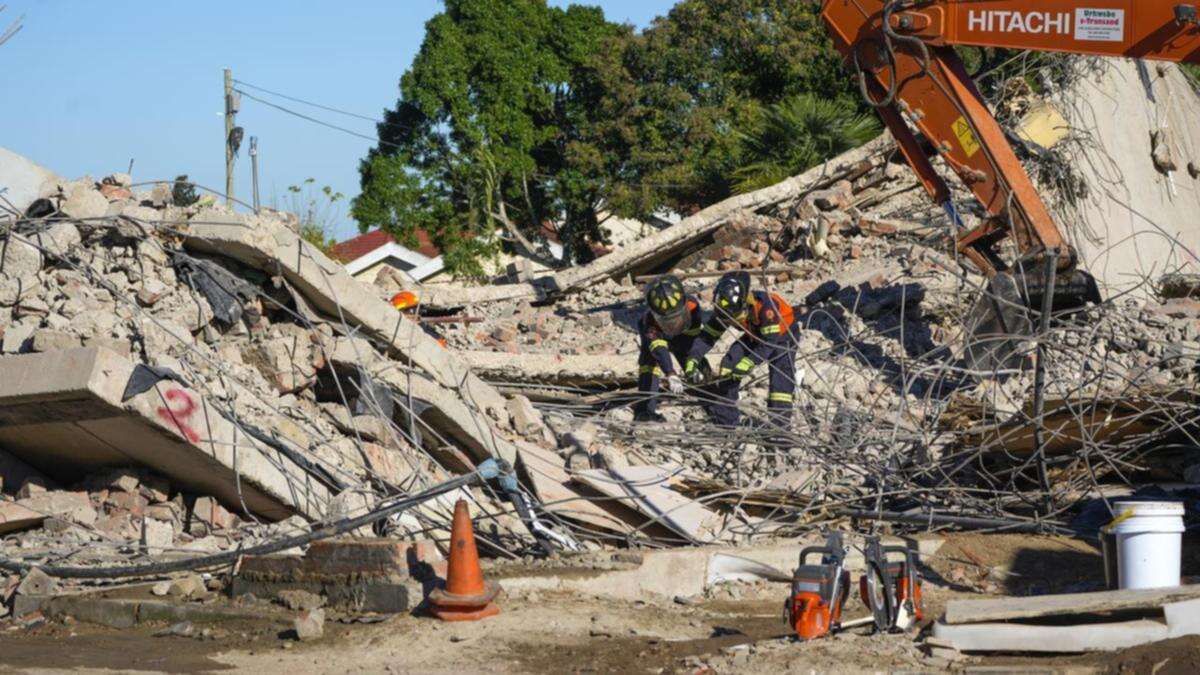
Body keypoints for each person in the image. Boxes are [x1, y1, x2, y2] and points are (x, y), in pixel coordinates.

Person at [685, 271, 799, 427]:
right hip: (755, 333)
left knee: (780, 383)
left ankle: (780, 429)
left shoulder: (766, 308)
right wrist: (693, 357)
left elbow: (769, 343)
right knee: (729, 364)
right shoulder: (726, 308)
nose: (731, 322)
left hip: (783, 336)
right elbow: (707, 337)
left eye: (735, 318)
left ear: (746, 303)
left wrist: (750, 361)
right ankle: (728, 421)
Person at [634, 274, 711, 422]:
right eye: (669, 321)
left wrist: (694, 363)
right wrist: (670, 373)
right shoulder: (649, 321)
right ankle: (645, 411)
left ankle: (712, 401)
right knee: (649, 363)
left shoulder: (693, 307)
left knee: (691, 358)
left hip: (684, 333)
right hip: (657, 333)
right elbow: (659, 349)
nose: (673, 324)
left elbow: (693, 342)